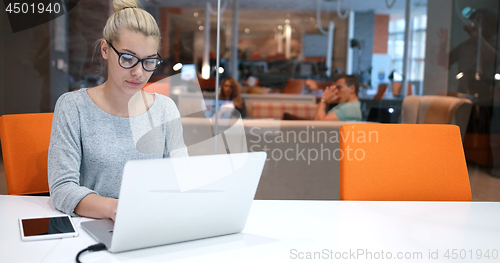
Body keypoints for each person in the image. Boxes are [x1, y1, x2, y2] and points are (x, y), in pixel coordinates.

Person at [48, 0, 188, 220]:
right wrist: (116, 209)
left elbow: (181, 179)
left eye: (149, 61)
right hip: (91, 227)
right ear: (105, 49)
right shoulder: (73, 107)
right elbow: (63, 188)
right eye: (128, 58)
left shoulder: (165, 109)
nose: (139, 73)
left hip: (150, 222)